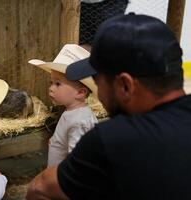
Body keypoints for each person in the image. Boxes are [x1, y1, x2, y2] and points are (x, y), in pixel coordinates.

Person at [26, 13, 191, 200]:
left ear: (125, 86)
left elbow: (40, 188)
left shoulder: (112, 141)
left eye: (96, 80)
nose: (97, 94)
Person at [29, 44, 98, 167]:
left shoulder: (80, 122)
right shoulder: (72, 112)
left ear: (80, 92)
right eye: (51, 82)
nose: (51, 88)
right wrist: (57, 141)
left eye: (58, 84)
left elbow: (77, 160)